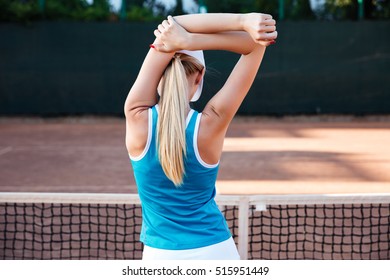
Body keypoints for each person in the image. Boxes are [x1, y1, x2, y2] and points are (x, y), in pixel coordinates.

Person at [124, 13, 277, 260]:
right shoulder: (211, 123)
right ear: (199, 76)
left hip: (159, 257)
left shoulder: (136, 115)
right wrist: (191, 40)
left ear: (159, 78)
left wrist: (183, 37)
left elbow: (172, 25)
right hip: (216, 253)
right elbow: (255, 45)